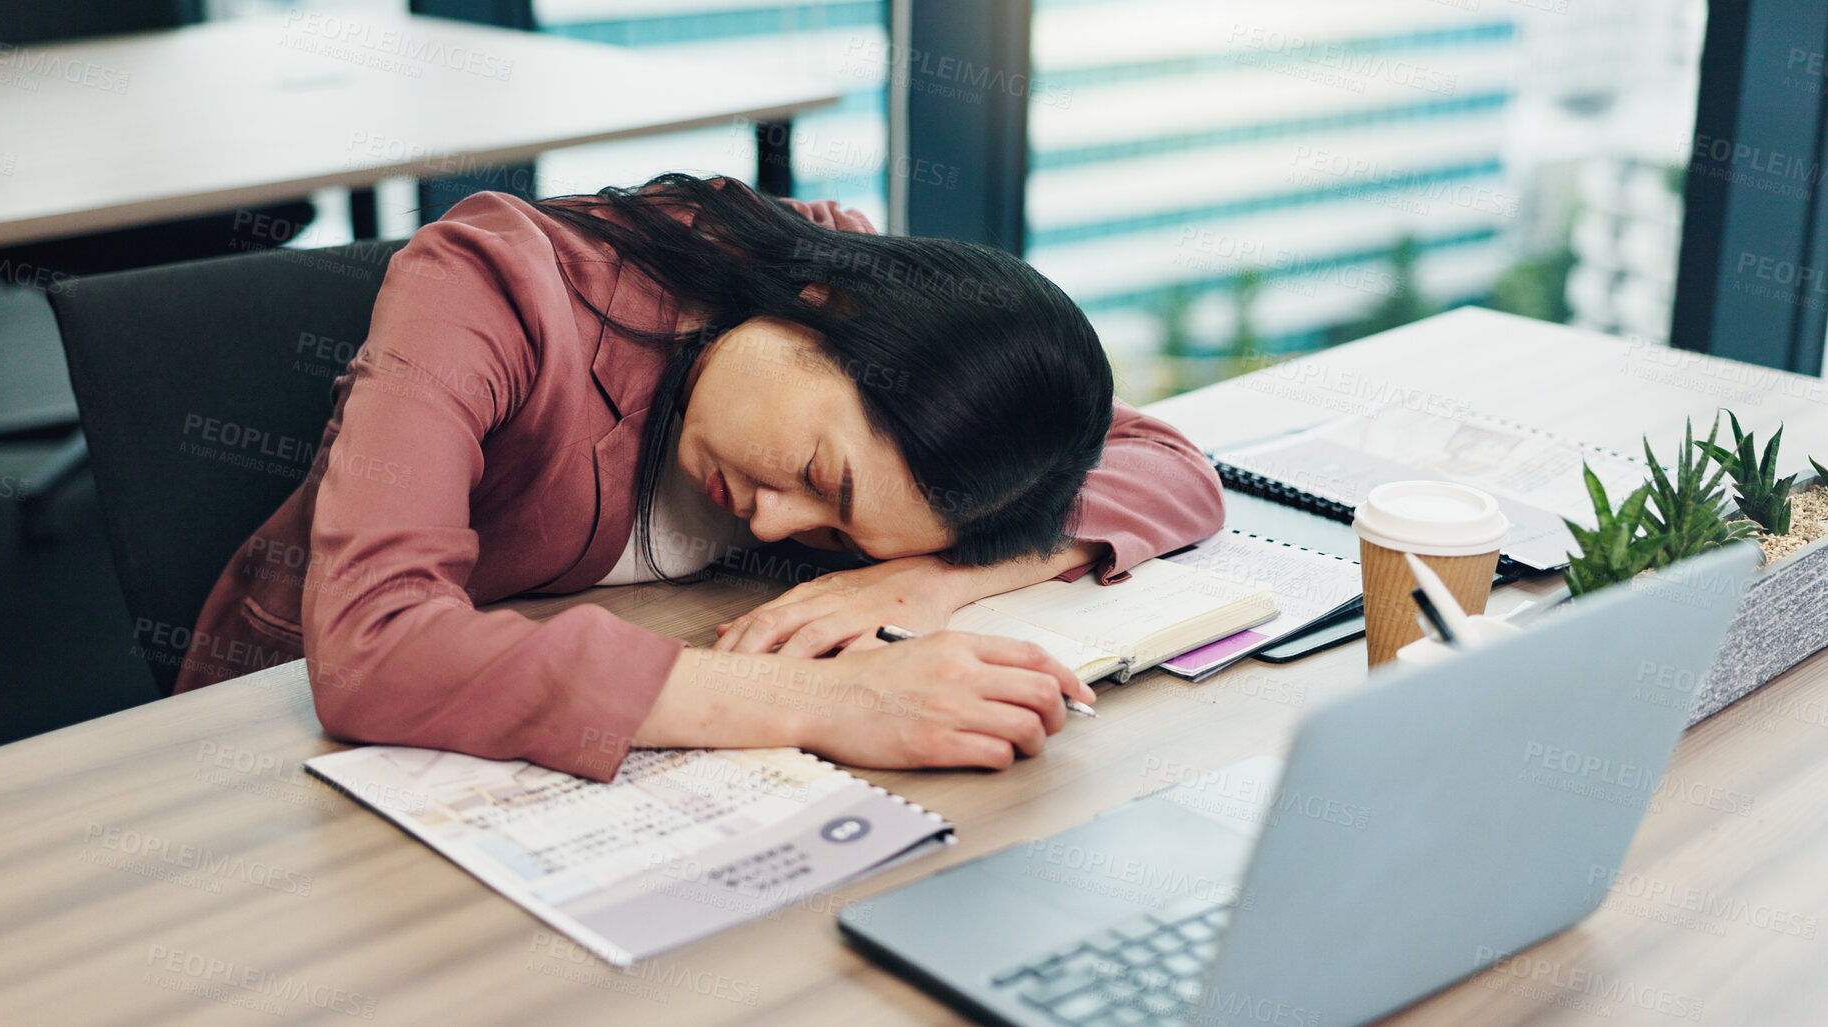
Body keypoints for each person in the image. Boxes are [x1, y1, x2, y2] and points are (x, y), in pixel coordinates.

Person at [174, 173, 1224, 781]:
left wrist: (923, 582)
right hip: (289, 748)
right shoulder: (491, 285)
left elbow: (1171, 469)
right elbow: (375, 649)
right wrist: (820, 697)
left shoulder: (895, 359)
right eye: (821, 473)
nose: (776, 517)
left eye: (834, 537)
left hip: (538, 752)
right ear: (827, 308)